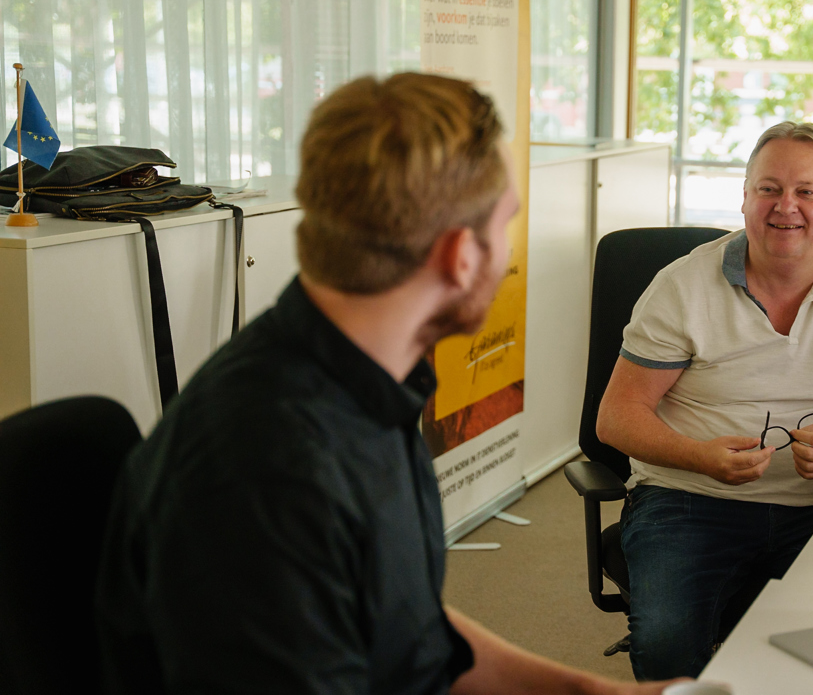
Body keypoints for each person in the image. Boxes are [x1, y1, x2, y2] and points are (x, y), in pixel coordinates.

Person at [95, 73, 678, 695]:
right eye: (504, 224)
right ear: (460, 256)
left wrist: (593, 693)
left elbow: (405, 629)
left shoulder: (369, 380)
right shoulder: (267, 469)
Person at [596, 122, 813, 680]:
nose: (787, 208)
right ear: (746, 197)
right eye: (769, 189)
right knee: (667, 650)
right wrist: (700, 456)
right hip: (688, 499)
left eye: (806, 192)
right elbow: (617, 415)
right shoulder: (682, 286)